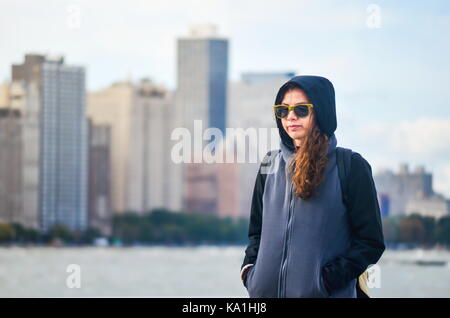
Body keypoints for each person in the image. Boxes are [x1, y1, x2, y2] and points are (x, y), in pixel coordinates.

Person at [240, 75, 385, 298]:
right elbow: (256, 232)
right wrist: (250, 272)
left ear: (321, 111)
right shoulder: (269, 164)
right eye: (283, 110)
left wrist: (325, 281)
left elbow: (370, 242)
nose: (290, 117)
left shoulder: (351, 166)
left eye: (301, 110)